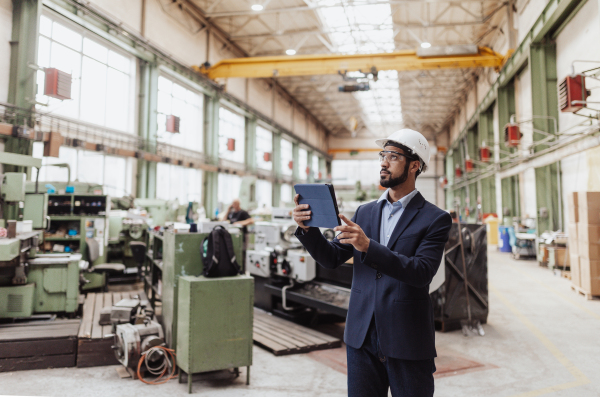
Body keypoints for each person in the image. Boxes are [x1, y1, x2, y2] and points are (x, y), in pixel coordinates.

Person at [292, 129, 452, 397]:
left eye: (393, 156)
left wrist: (368, 246)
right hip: (362, 336)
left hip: (407, 339)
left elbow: (421, 272)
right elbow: (331, 258)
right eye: (383, 155)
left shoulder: (435, 219)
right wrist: (308, 230)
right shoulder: (365, 212)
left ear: (415, 165)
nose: (383, 162)